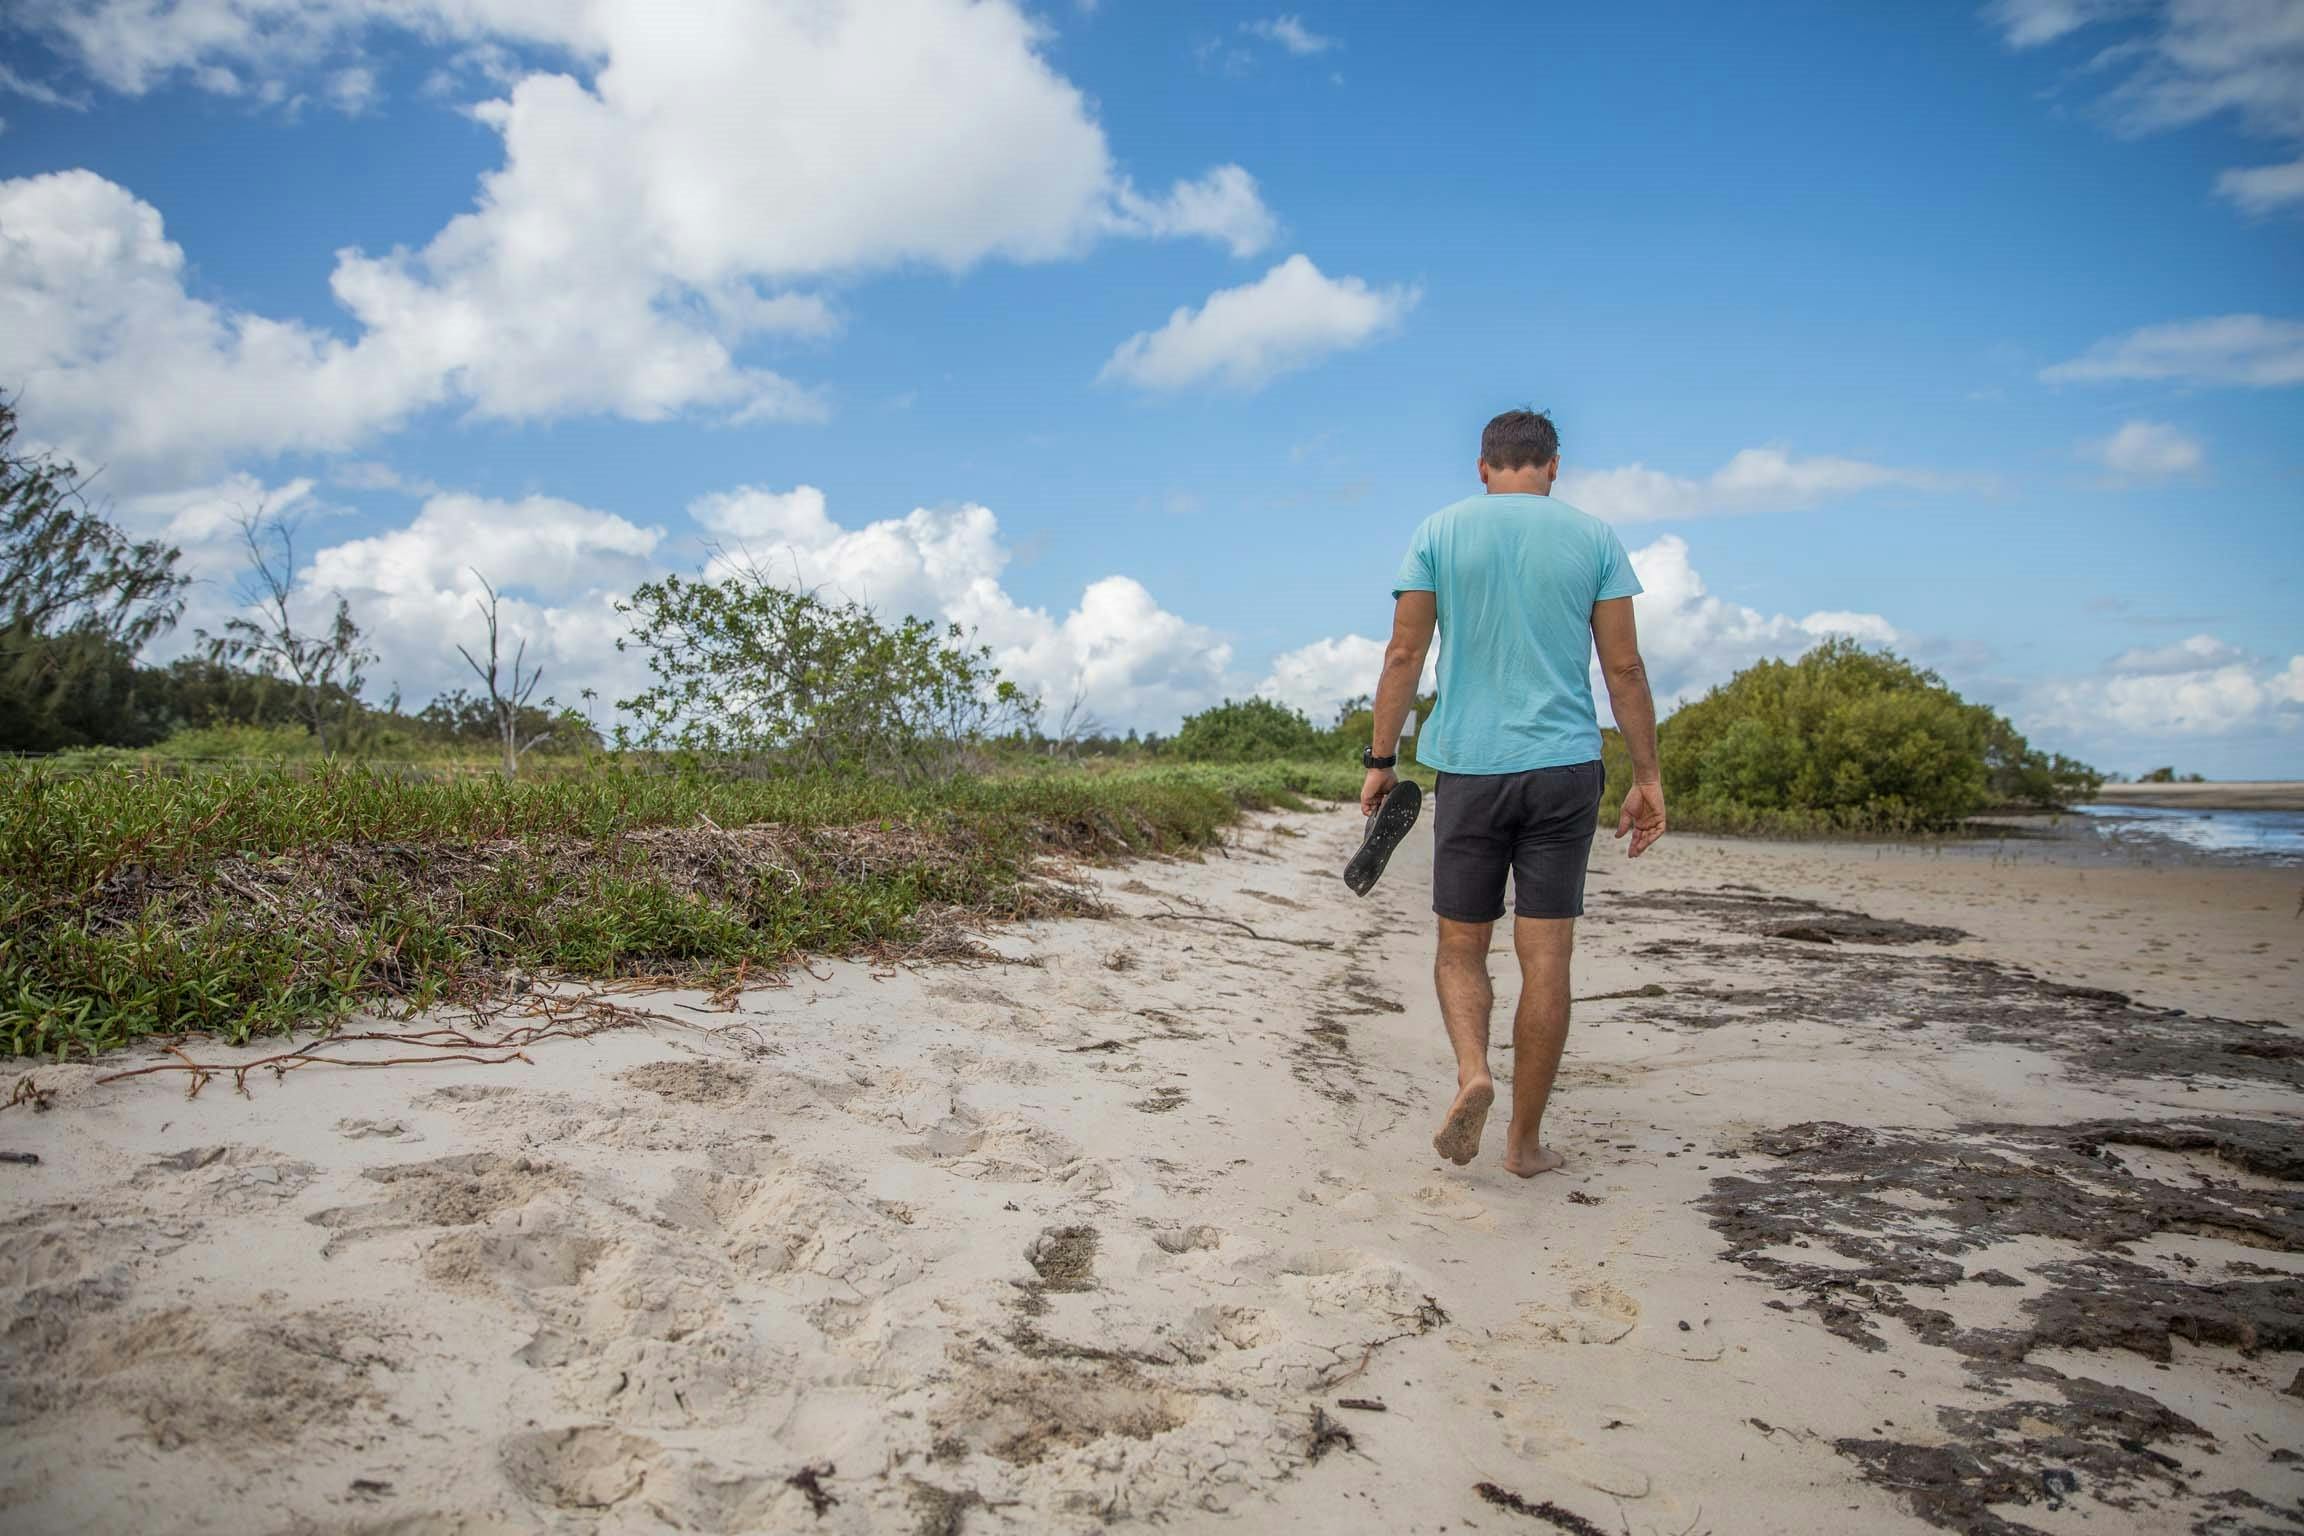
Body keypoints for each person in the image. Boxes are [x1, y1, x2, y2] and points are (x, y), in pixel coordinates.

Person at [1358, 408, 1666, 1178]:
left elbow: (1404, 652)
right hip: (1564, 768)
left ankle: (1474, 1073)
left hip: (1469, 767)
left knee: (1462, 945)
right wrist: (1648, 777)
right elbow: (1623, 670)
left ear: (1483, 467)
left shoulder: (1439, 532)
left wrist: (1381, 758)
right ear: (1554, 467)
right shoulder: (1594, 538)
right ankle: (1524, 1145)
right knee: (1547, 956)